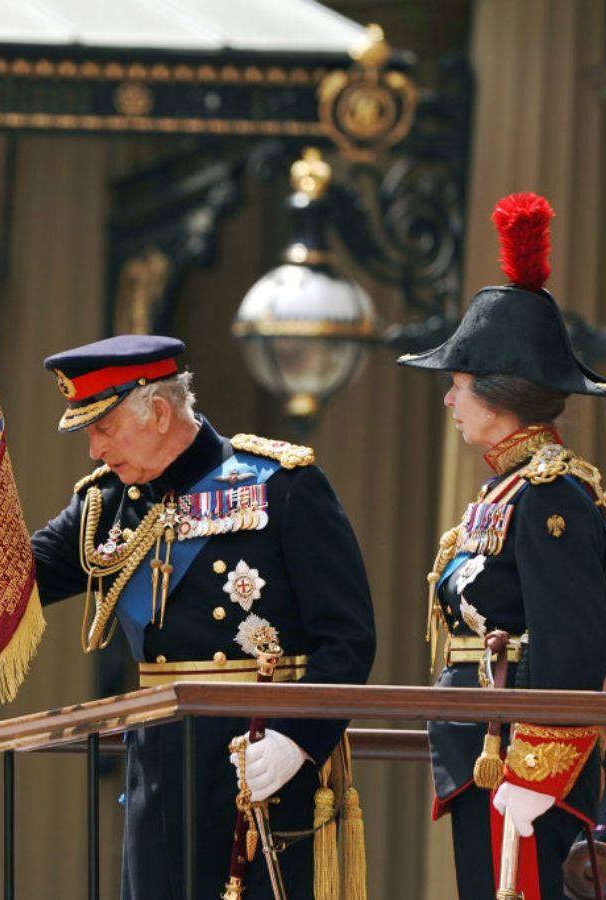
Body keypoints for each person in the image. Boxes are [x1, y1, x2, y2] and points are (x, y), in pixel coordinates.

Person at [30, 335, 376, 899]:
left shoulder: (280, 485)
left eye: (103, 428)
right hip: (161, 764)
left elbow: (349, 639)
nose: (94, 449)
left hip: (261, 757)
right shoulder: (107, 504)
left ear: (159, 413)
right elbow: (18, 580)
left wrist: (297, 739)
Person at [399, 192, 606, 899]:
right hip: (480, 748)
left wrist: (538, 770)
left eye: (458, 386)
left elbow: (572, 645)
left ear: (500, 392)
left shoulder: (551, 496)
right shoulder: (504, 492)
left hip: (515, 757)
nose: (451, 402)